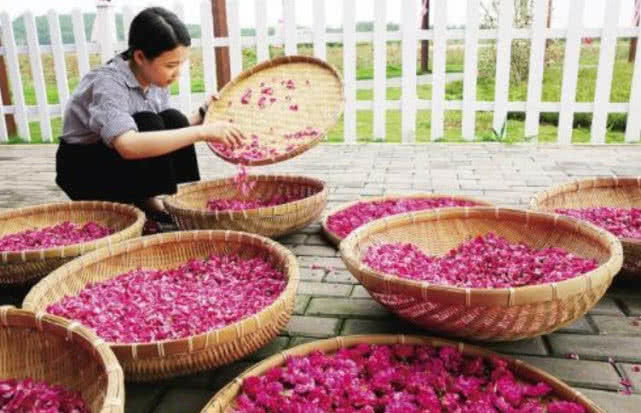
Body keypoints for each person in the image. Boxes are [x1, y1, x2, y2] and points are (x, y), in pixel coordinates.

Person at [55, 7, 244, 222]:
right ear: (140, 56)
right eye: (171, 65)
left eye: (181, 64)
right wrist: (202, 133)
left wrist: (202, 115)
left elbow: (166, 128)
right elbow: (128, 145)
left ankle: (162, 197)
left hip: (114, 160)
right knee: (149, 121)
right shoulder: (108, 84)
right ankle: (143, 201)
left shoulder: (153, 78)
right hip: (85, 171)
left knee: (173, 118)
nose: (177, 73)